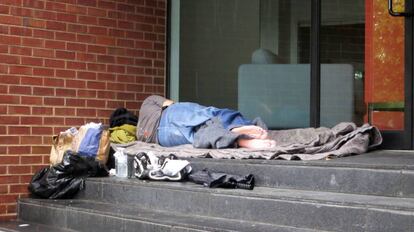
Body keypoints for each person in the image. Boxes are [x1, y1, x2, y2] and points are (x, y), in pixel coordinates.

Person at [136, 95, 276, 149]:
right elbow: (171, 104)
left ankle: (239, 141)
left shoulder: (139, 134)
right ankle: (239, 127)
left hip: (161, 138)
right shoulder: (148, 101)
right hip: (169, 114)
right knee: (210, 114)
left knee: (198, 135)